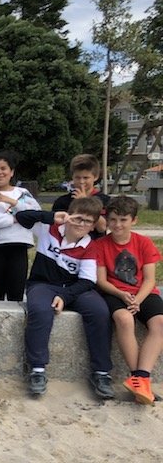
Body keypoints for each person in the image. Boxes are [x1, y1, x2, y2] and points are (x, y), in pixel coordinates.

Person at [16, 197, 113, 399]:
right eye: (77, 218)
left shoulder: (91, 245)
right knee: (40, 310)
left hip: (75, 289)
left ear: (94, 225)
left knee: (99, 311)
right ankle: (37, 369)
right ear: (68, 215)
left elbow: (87, 281)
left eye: (87, 221)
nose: (81, 224)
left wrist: (64, 296)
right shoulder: (49, 228)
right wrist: (52, 216)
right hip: (42, 284)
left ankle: (101, 372)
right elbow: (21, 217)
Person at [94, 196, 163, 405]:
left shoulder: (143, 242)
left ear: (134, 220)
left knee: (160, 323)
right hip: (114, 293)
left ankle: (141, 378)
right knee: (124, 320)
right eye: (113, 219)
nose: (117, 225)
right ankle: (137, 378)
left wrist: (138, 300)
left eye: (123, 220)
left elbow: (150, 279)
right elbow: (101, 280)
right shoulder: (100, 245)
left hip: (144, 293)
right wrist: (122, 295)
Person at [0, 151, 40, 301]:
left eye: (3, 168)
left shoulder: (22, 193)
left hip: (18, 246)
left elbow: (34, 213)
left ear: (11, 172)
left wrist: (12, 202)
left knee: (17, 293)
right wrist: (16, 218)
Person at [51, 154, 111, 238]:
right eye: (77, 177)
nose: (81, 181)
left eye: (86, 178)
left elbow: (102, 227)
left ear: (96, 177)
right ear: (72, 177)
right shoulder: (62, 202)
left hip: (95, 246)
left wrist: (85, 202)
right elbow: (55, 229)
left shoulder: (105, 200)